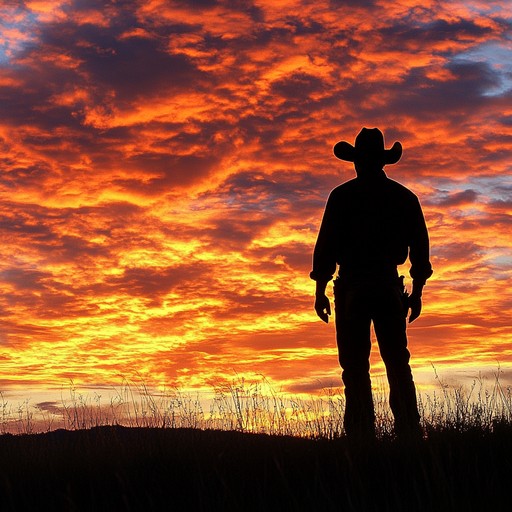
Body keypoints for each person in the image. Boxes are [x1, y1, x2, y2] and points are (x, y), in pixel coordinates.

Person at [310, 127, 433, 440]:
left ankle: (361, 436)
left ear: (356, 161)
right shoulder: (404, 198)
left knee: (354, 367)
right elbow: (420, 249)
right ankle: (408, 432)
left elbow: (325, 247)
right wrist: (416, 293)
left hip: (352, 285)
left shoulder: (341, 196)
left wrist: (320, 291)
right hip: (387, 285)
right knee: (397, 361)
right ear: (382, 161)